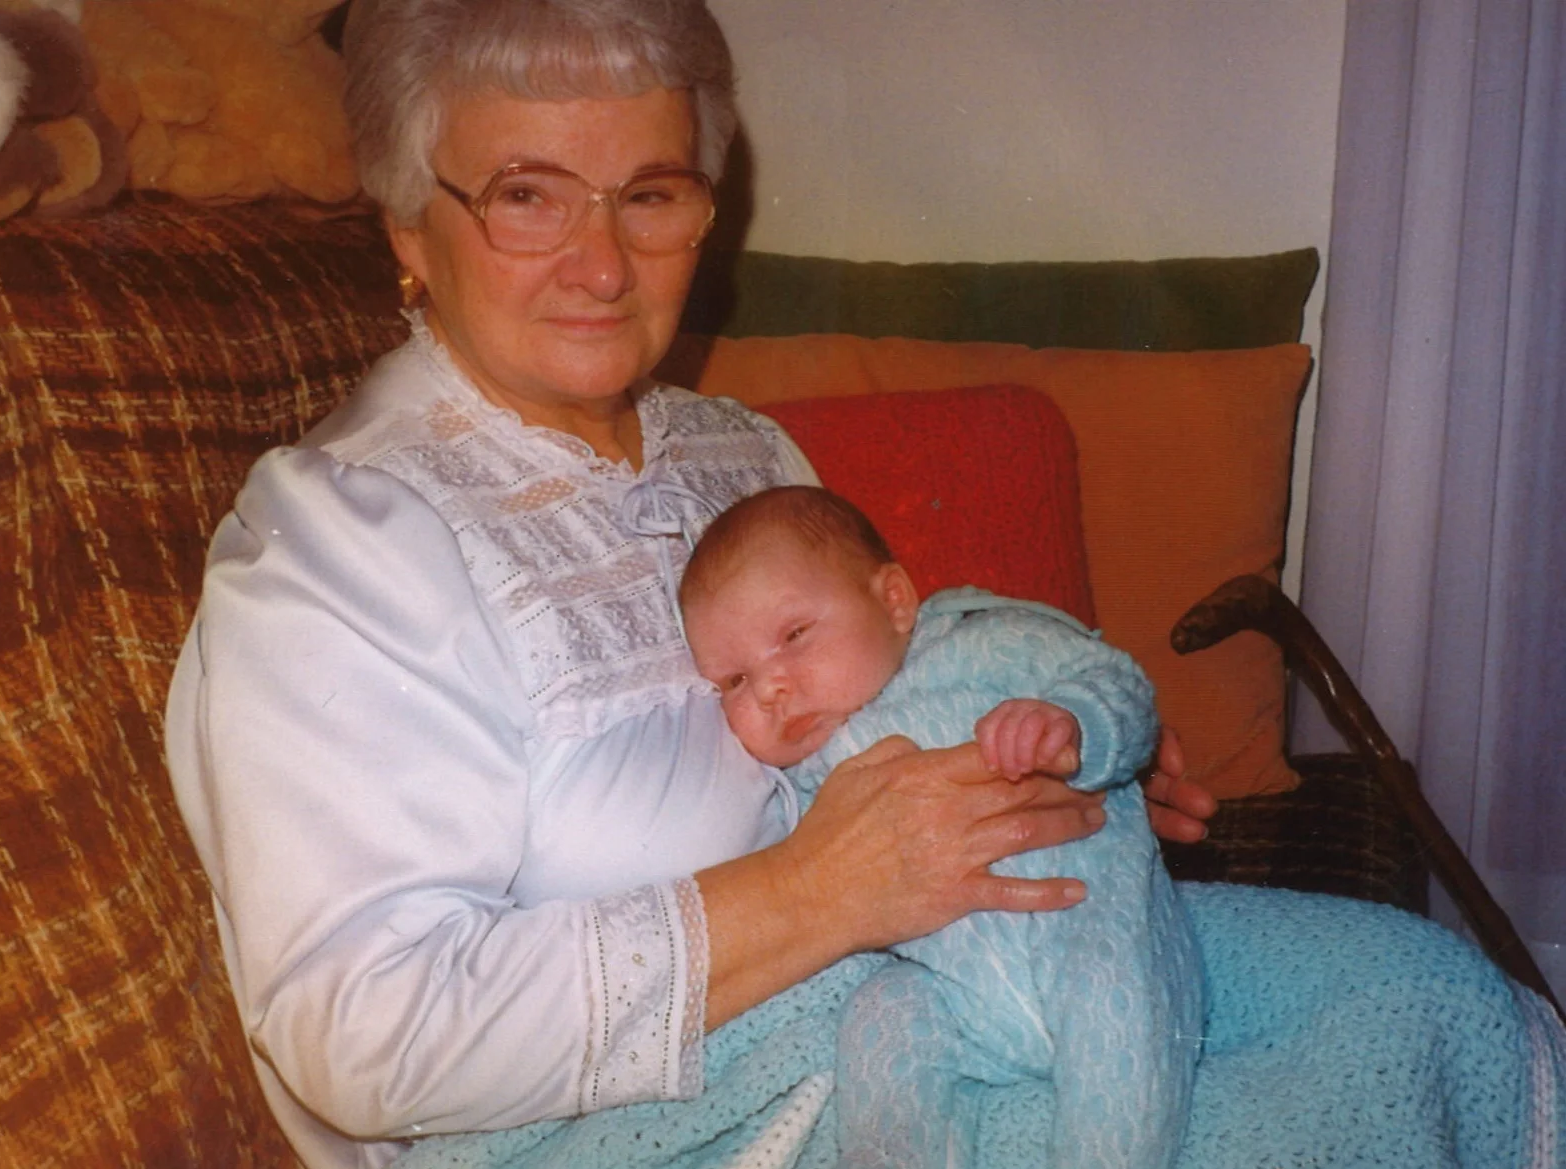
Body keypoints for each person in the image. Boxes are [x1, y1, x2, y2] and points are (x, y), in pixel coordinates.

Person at [162, 2, 1564, 1168]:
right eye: (527, 195)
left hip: (948, 947)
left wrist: (1042, 743)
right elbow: (365, 1035)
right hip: (664, 1108)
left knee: (1420, 993)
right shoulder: (342, 540)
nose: (600, 262)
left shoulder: (738, 447)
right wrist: (818, 892)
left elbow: (890, 660)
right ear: (410, 228)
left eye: (649, 193)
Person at [678, 485, 1203, 1169]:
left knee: (1110, 1000)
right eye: (734, 681)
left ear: (895, 601)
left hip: (1090, 923)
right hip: (955, 996)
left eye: (795, 635)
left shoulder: (984, 643)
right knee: (883, 1013)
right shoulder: (792, 780)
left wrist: (1074, 723)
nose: (771, 688)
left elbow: (1117, 682)